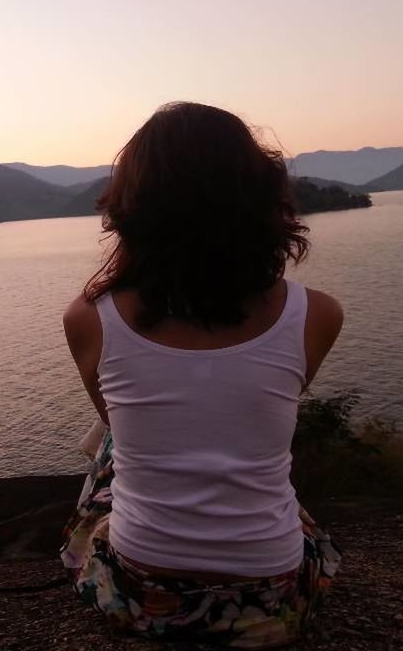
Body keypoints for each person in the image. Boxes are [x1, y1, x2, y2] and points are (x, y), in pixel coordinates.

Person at [60, 102, 343, 648]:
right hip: (273, 600)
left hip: (143, 596)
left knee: (107, 448)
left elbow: (116, 431)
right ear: (261, 196)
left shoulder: (88, 319)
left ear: (133, 207)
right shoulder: (317, 314)